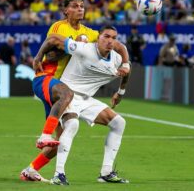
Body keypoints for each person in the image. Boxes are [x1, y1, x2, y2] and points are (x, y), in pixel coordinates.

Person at [20, 0, 130, 182]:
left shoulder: (92, 33)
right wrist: (38, 57)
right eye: (75, 6)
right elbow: (53, 44)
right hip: (48, 77)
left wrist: (125, 63)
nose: (80, 9)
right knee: (69, 109)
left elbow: (118, 45)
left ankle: (30, 170)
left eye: (82, 6)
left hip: (64, 88)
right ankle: (49, 148)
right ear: (66, 10)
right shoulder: (59, 26)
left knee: (60, 141)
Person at [42, 25, 130, 185]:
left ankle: (106, 172)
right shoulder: (84, 49)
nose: (110, 41)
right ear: (98, 38)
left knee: (119, 123)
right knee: (72, 125)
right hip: (66, 95)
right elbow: (54, 38)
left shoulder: (116, 59)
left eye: (113, 38)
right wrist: (38, 57)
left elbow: (126, 72)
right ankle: (58, 175)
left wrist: (120, 92)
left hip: (85, 99)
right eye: (106, 37)